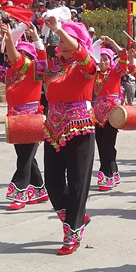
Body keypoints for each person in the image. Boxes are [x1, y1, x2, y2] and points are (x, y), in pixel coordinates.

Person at [40, 17, 96, 255]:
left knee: (77, 182)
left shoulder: (87, 65)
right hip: (53, 128)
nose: (61, 43)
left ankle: (72, 230)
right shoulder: (53, 68)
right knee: (52, 182)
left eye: (66, 39)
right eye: (59, 39)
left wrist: (60, 29)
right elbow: (14, 64)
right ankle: (77, 216)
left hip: (79, 127)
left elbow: (81, 54)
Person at [0, 23, 49, 211]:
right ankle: (39, 189)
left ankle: (20, 193)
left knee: (24, 159)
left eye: (19, 54)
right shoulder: (9, 73)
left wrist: (31, 39)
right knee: (25, 156)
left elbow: (38, 57)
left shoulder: (35, 70)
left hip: (32, 119)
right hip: (15, 120)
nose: (13, 58)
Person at [92, 36, 129, 191]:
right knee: (102, 145)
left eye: (106, 59)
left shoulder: (116, 72)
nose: (103, 62)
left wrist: (112, 43)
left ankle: (106, 175)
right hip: (97, 114)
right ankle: (113, 171)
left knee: (108, 144)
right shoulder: (94, 74)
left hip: (112, 114)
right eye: (100, 59)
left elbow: (123, 57)